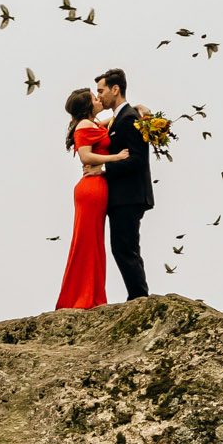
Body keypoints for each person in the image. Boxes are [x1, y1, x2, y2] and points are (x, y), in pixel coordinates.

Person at [55, 86, 127, 310]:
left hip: (95, 187)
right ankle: (84, 297)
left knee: (91, 242)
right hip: (91, 189)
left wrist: (135, 109)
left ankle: (86, 294)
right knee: (89, 243)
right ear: (88, 106)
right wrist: (116, 157)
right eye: (95, 98)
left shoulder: (91, 124)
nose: (99, 99)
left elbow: (114, 121)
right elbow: (85, 155)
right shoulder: (86, 125)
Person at [95, 67, 154, 300]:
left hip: (129, 196)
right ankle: (138, 297)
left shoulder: (128, 118)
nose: (98, 96)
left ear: (115, 89)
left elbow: (138, 160)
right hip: (124, 196)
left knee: (125, 249)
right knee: (124, 248)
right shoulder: (122, 117)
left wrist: (104, 169)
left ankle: (139, 298)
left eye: (101, 90)